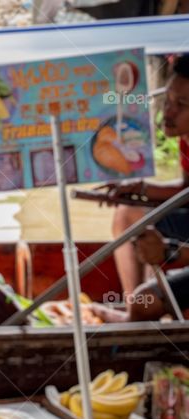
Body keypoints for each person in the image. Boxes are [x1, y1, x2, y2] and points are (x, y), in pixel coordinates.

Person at [104, 54, 189, 299]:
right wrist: (137, 189)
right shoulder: (185, 141)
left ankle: (143, 304)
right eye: (168, 101)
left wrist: (142, 191)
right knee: (126, 212)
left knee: (142, 223)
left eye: (181, 105)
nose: (168, 112)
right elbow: (186, 188)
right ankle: (136, 300)